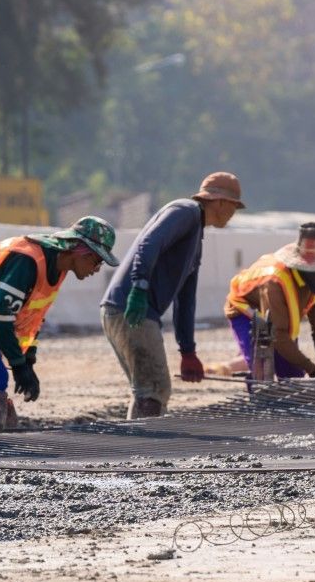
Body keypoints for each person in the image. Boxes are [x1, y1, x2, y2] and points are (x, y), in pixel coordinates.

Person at [0, 217, 118, 431]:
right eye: (97, 261)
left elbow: (32, 316)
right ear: (82, 252)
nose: (97, 269)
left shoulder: (58, 269)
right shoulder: (27, 260)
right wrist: (17, 364)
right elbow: (2, 316)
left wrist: (28, 359)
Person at [101, 172, 245, 418]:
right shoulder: (185, 211)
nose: (234, 213)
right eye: (234, 206)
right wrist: (139, 286)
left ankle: (138, 448)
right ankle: (144, 454)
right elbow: (149, 243)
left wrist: (188, 351)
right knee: (154, 389)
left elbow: (185, 301)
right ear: (220, 201)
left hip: (130, 309)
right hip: (133, 307)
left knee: (148, 389)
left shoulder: (195, 240)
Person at [223, 222, 315, 381]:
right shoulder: (275, 283)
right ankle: (260, 399)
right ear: (302, 266)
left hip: (277, 316)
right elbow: (278, 335)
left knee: (293, 375)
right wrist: (312, 369)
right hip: (246, 310)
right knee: (260, 369)